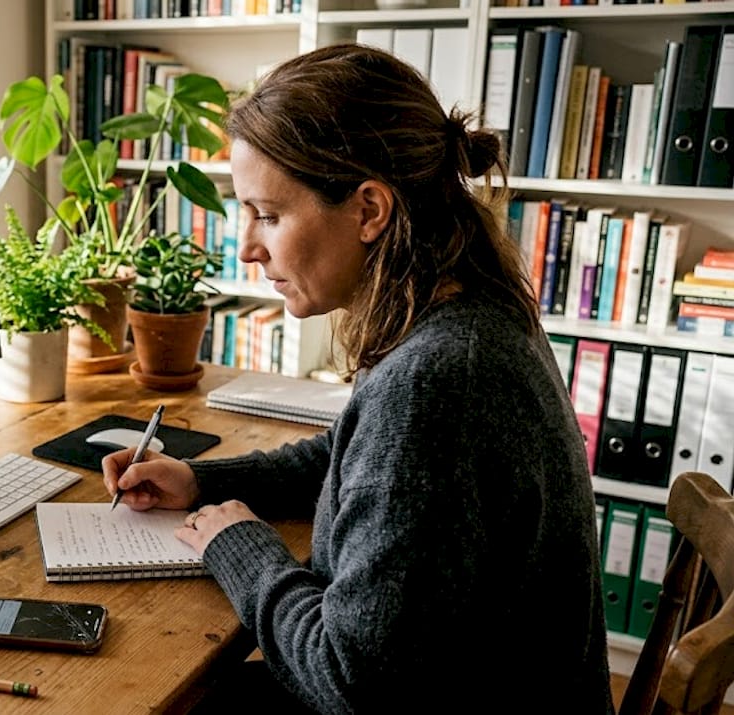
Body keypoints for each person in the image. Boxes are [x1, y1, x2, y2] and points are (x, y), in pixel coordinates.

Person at [103, 43, 613, 713]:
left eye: (268, 214)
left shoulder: (438, 379)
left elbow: (352, 678)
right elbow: (356, 457)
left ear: (370, 210)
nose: (249, 245)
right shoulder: (463, 306)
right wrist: (205, 481)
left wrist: (242, 548)